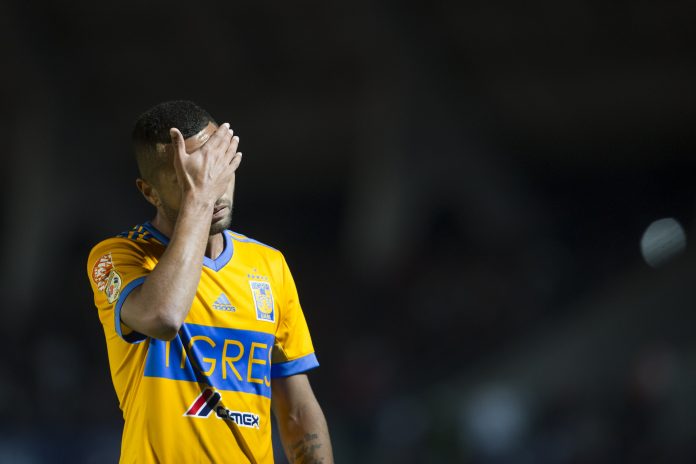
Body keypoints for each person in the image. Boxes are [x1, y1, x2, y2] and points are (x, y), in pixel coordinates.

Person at [87, 100, 333, 463]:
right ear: (149, 192)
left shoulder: (269, 266)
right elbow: (163, 317)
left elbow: (297, 410)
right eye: (188, 178)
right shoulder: (117, 256)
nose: (212, 189)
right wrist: (199, 199)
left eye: (216, 170)